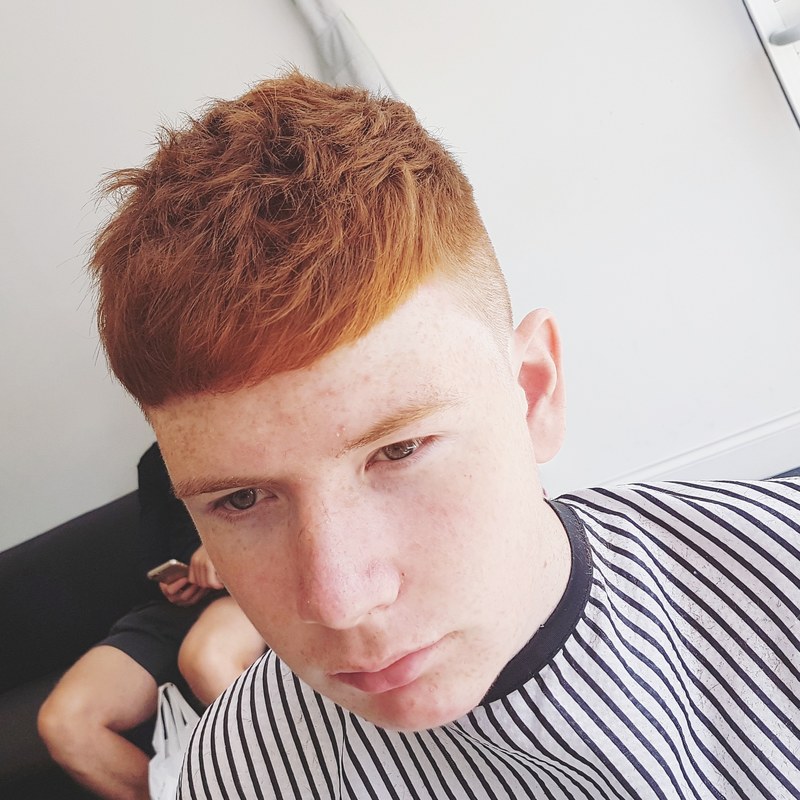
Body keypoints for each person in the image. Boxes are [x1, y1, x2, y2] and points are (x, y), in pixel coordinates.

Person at [85, 72, 800, 799]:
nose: (341, 601)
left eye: (398, 450)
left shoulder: (780, 569)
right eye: (241, 499)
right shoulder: (236, 778)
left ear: (533, 392)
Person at [37, 443, 265, 800]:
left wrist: (224, 549)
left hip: (248, 588)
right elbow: (153, 556)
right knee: (65, 724)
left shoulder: (252, 436)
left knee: (207, 660)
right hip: (175, 610)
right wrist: (173, 581)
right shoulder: (155, 461)